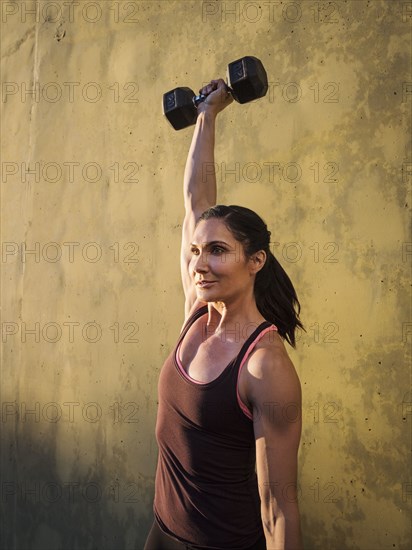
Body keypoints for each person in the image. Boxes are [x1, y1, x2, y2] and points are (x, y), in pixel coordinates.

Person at [144, 78, 304, 550]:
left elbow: (279, 508)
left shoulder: (264, 364)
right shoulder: (196, 311)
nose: (199, 263)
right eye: (196, 250)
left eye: (218, 250)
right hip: (160, 534)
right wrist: (207, 114)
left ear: (256, 260)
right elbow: (196, 200)